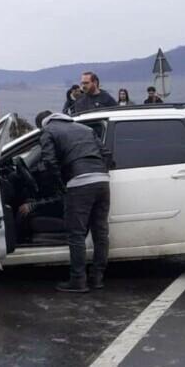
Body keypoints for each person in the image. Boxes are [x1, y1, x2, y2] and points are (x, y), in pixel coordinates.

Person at [35, 110, 111, 293]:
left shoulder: (48, 131)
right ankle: (97, 277)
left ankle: (78, 280)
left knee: (76, 234)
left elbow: (49, 162)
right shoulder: (84, 128)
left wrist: (61, 186)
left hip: (79, 183)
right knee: (100, 232)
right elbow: (106, 154)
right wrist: (101, 172)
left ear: (42, 124)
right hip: (102, 181)